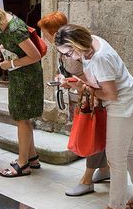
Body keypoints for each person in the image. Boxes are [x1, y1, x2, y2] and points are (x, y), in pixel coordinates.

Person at [55, 24, 133, 209]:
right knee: (128, 149)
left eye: (70, 52)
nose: (70, 57)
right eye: (65, 54)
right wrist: (76, 82)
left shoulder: (100, 58)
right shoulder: (90, 42)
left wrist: (81, 88)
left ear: (77, 43)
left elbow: (110, 94)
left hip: (121, 104)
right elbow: (96, 81)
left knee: (116, 159)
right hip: (126, 99)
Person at [38, 12, 110, 196]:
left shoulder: (75, 51)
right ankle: (103, 169)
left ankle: (87, 180)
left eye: (45, 33)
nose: (43, 36)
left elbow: (90, 78)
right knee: (97, 134)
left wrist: (72, 81)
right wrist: (62, 77)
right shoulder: (64, 48)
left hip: (90, 96)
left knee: (91, 135)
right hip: (82, 95)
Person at [0, 2, 43, 177]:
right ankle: (32, 157)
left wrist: (10, 63)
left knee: (21, 117)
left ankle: (23, 164)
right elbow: (10, 43)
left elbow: (35, 56)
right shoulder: (4, 23)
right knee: (22, 116)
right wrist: (0, 50)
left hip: (27, 77)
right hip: (19, 75)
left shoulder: (14, 29)